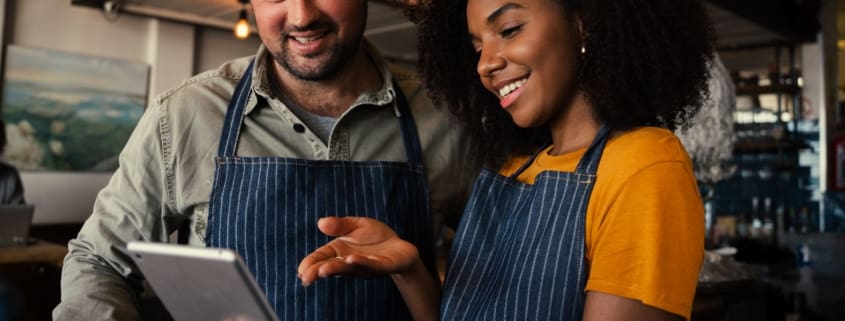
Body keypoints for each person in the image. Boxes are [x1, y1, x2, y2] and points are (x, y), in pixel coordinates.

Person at [53, 1, 476, 320]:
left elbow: (501, 270)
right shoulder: (184, 114)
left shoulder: (447, 119)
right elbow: (99, 260)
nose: (301, 15)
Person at [298, 0, 715, 320]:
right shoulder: (512, 165)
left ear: (584, 21)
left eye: (509, 30)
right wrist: (408, 270)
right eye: (477, 46)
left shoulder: (644, 166)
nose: (486, 64)